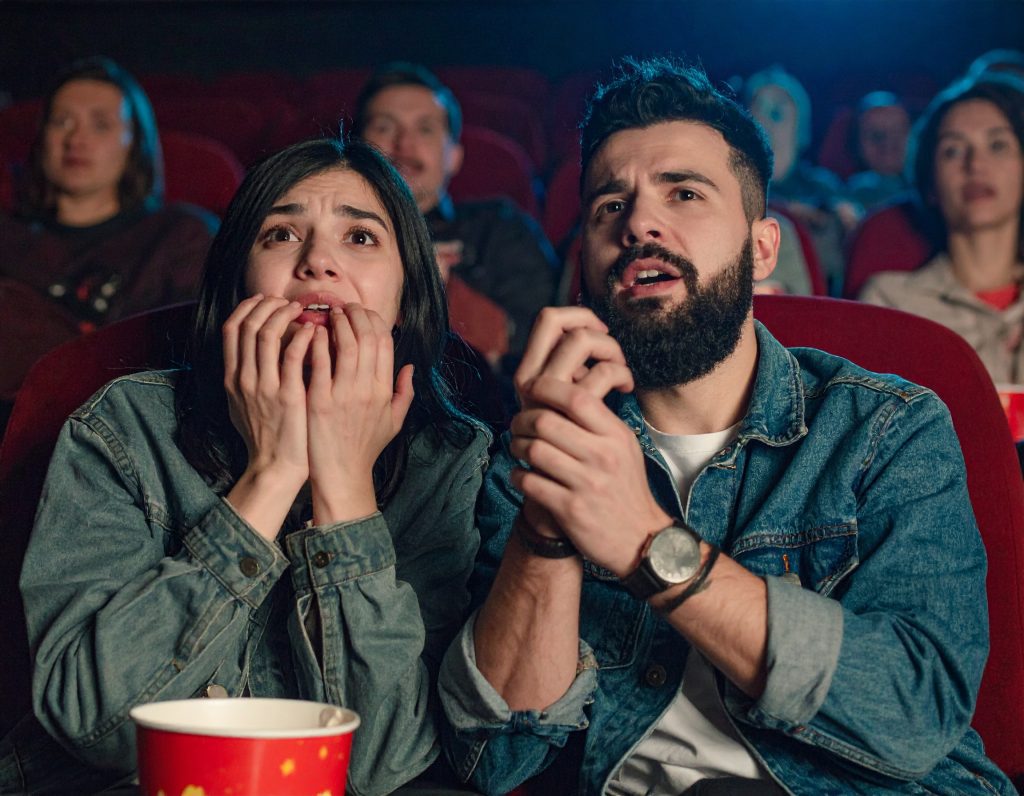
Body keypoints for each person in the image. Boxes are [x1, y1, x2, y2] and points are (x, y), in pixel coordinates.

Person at [438, 57, 1014, 796]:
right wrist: (547, 525)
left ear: (763, 248)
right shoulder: (540, 449)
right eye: (610, 206)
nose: (639, 222)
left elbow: (915, 712)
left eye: (684, 193)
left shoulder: (886, 430)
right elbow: (495, 758)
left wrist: (648, 545)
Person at [0, 137, 490, 795]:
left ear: (404, 297)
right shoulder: (123, 426)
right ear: (238, 287)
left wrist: (345, 488)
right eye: (281, 234)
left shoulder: (448, 458)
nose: (317, 261)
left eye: (361, 238)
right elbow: (96, 725)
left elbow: (378, 764)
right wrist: (273, 471)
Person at [0, 56, 216, 426]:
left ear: (135, 143)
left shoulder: (180, 235)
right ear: (42, 138)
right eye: (61, 121)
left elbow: (195, 359)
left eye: (100, 125)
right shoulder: (8, 236)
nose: (76, 139)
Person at [352, 62, 559, 369]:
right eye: (384, 127)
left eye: (425, 129)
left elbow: (536, 337)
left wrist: (441, 293)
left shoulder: (500, 228)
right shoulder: (327, 234)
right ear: (356, 147)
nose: (404, 144)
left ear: (454, 156)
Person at [860, 73, 1024, 386]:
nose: (975, 165)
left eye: (997, 145)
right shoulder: (890, 302)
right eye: (952, 151)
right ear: (931, 184)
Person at [743, 65, 860, 295]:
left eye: (780, 109)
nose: (770, 122)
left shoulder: (824, 188)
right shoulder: (733, 183)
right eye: (760, 107)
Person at [845, 91, 914, 211]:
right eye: (876, 135)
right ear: (857, 143)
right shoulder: (846, 197)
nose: (887, 143)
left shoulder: (933, 190)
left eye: (897, 132)